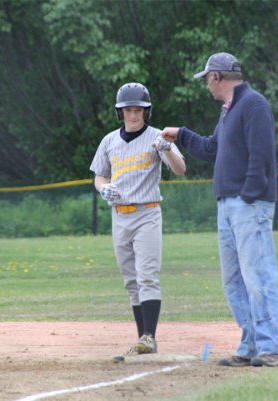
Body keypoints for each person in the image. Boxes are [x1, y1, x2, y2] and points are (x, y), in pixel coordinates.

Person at [161, 53, 278, 367]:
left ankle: (272, 347)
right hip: (227, 206)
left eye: (207, 79)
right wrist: (182, 134)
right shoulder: (228, 110)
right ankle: (251, 344)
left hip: (248, 205)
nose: (206, 85)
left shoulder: (254, 104)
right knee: (233, 281)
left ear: (217, 77)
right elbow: (212, 148)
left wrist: (248, 195)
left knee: (257, 276)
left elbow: (261, 156)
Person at [90, 82, 186, 360]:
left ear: (147, 111)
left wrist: (166, 148)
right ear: (120, 112)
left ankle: (150, 337)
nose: (134, 115)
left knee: (147, 275)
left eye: (139, 110)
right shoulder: (109, 141)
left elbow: (180, 169)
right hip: (119, 215)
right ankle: (142, 338)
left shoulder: (158, 136)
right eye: (128, 110)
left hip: (147, 213)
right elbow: (99, 175)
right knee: (130, 280)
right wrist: (102, 187)